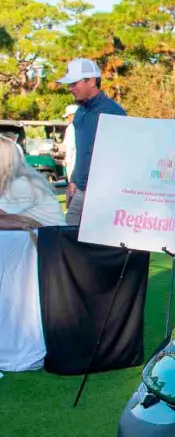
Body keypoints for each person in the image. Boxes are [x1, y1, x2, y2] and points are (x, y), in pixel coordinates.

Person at [0, 137, 66, 372]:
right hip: (43, 249)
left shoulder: (20, 185)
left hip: (52, 254)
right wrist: (17, 221)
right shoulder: (17, 182)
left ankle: (13, 339)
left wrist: (16, 221)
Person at [58, 58, 126, 226]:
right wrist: (73, 180)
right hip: (80, 190)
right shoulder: (80, 112)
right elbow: (83, 153)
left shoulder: (113, 112)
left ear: (91, 81)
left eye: (74, 83)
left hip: (104, 195)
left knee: (97, 247)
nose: (70, 88)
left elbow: (121, 158)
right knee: (68, 239)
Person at [61, 102, 78, 183]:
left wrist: (67, 160)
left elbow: (70, 146)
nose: (67, 119)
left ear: (72, 115)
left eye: (68, 116)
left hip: (73, 163)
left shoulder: (71, 128)